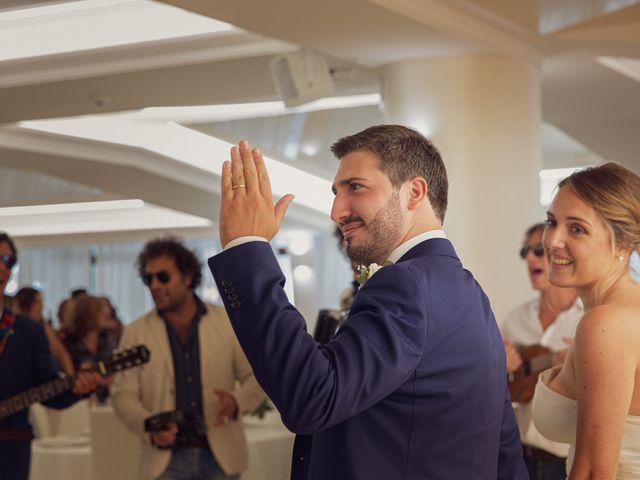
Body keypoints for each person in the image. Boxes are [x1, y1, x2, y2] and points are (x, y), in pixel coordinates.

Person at [207, 125, 527, 479]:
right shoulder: (468, 290)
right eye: (335, 193)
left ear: (414, 192)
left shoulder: (406, 283)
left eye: (355, 188)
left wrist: (246, 249)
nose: (336, 211)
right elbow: (501, 442)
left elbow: (313, 397)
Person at [111, 237, 265, 480]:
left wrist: (236, 402)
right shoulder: (135, 332)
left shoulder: (226, 321)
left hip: (221, 457)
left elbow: (257, 375)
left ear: (187, 276)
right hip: (164, 461)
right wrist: (150, 427)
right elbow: (123, 395)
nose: (154, 285)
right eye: (147, 279)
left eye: (162, 276)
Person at [532, 162, 640, 479]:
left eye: (576, 228)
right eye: (551, 222)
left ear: (622, 244)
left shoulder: (606, 323)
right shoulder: (621, 311)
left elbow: (594, 471)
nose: (551, 241)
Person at [0, 232, 103, 480]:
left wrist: (77, 388)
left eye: (9, 260)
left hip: (10, 455)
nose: (3, 267)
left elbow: (48, 389)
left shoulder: (27, 331)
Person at [502, 223, 583, 479]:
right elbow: (502, 391)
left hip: (568, 462)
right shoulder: (515, 320)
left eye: (538, 249)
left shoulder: (589, 320)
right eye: (525, 252)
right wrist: (496, 364)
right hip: (520, 457)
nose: (529, 258)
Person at [63, 294, 118, 403]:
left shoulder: (107, 338)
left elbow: (116, 372)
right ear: (89, 315)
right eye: (101, 310)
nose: (107, 313)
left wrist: (102, 380)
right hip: (78, 403)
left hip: (107, 400)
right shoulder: (69, 343)